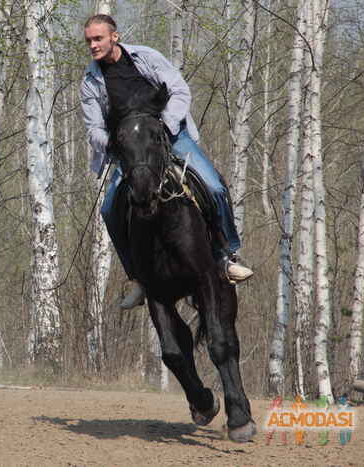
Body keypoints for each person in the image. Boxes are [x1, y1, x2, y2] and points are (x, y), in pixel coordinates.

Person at [80, 14, 253, 310]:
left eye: (98, 39)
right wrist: (114, 143)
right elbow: (93, 128)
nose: (93, 45)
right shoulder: (90, 81)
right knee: (110, 209)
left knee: (213, 187)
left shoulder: (146, 57)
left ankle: (226, 255)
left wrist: (166, 125)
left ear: (115, 37)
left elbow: (179, 90)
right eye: (89, 41)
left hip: (171, 135)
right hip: (131, 149)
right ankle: (138, 279)